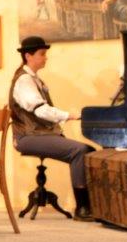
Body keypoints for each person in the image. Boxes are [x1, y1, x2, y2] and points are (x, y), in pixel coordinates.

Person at [9, 36, 95, 221]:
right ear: (28, 56)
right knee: (80, 151)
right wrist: (68, 115)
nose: (45, 57)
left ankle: (92, 205)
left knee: (88, 151)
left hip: (36, 134)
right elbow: (40, 110)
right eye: (42, 54)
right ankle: (82, 208)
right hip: (27, 137)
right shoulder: (24, 80)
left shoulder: (34, 79)